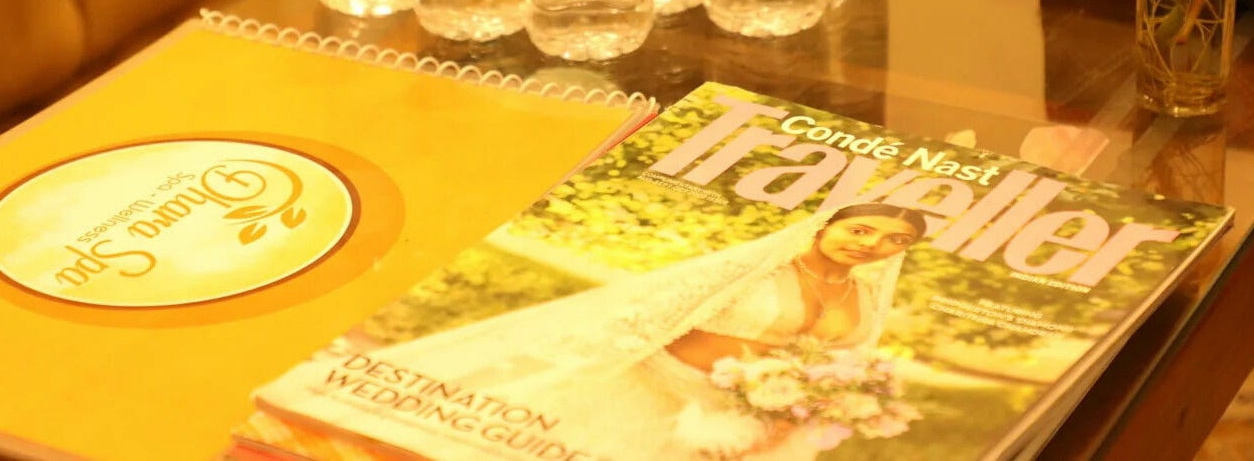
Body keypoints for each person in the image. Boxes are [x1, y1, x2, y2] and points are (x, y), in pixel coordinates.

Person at [258, 204, 926, 460]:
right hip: (643, 386)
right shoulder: (753, 269)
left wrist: (790, 411)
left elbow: (829, 370)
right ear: (826, 225)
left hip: (724, 419)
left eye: (891, 240)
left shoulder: (862, 301)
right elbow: (654, 310)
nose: (871, 244)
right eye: (860, 228)